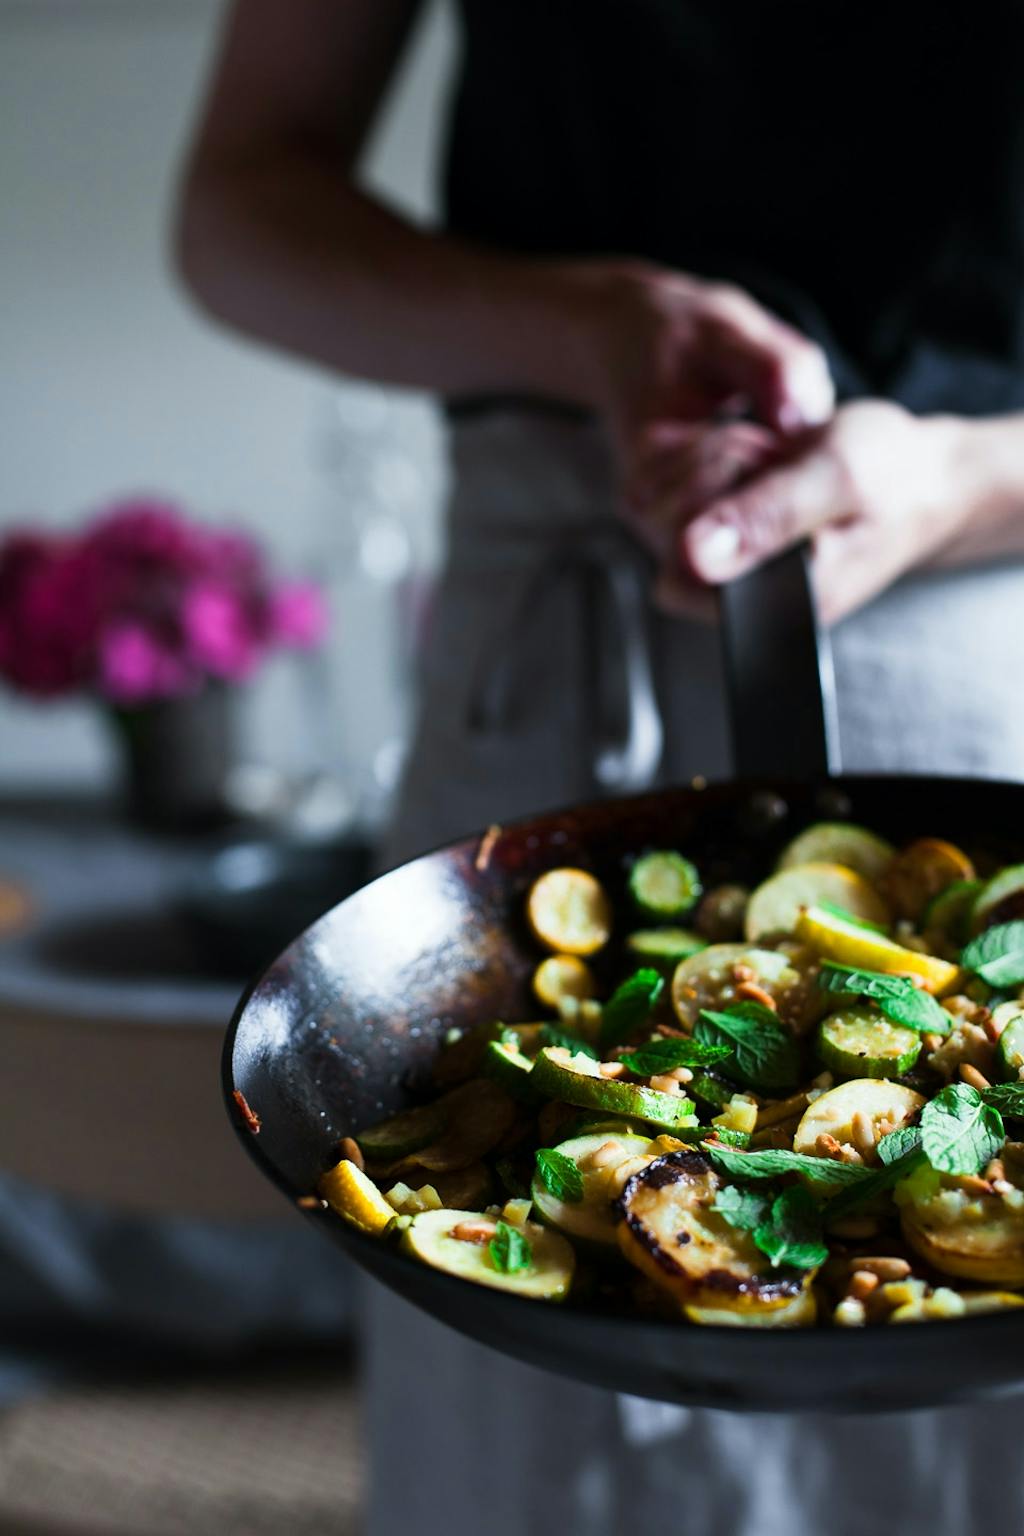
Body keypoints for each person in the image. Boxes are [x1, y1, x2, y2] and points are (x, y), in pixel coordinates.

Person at [176, 3, 1024, 1531]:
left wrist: (972, 475)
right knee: (539, 1449)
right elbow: (239, 206)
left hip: (988, 628)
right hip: (554, 634)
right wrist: (588, 323)